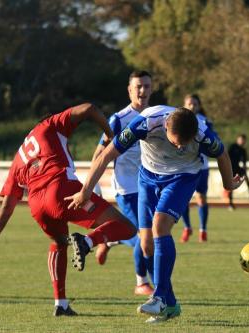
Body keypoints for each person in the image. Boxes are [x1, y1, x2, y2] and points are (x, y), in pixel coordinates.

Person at [65, 106, 243, 323]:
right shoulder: (146, 122)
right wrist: (85, 192)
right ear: (166, 125)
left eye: (184, 144)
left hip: (182, 177)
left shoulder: (201, 132)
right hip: (148, 178)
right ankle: (170, 305)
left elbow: (222, 154)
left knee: (160, 226)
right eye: (175, 141)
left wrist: (228, 184)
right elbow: (106, 155)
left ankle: (158, 297)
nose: (179, 146)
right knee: (146, 245)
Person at [0, 103, 136, 316]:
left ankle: (61, 304)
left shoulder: (19, 158)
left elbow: (7, 207)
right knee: (127, 227)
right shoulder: (50, 125)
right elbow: (90, 108)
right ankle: (87, 241)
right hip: (61, 190)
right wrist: (110, 135)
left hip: (37, 206)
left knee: (58, 243)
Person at [91, 70, 154, 296]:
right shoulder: (118, 120)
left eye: (146, 86)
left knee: (152, 234)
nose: (142, 91)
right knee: (145, 237)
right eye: (138, 86)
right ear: (129, 90)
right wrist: (90, 188)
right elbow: (99, 154)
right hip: (127, 188)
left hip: (152, 187)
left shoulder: (158, 117)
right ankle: (143, 283)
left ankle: (109, 240)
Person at [180, 94, 212, 243]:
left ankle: (203, 230)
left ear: (199, 106)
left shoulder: (205, 121)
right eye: (189, 104)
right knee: (183, 199)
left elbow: (212, 143)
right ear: (185, 105)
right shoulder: (178, 119)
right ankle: (187, 228)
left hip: (201, 167)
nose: (192, 106)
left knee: (201, 198)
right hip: (183, 167)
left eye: (194, 104)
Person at [226, 134, 249, 210]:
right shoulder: (232, 147)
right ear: (237, 139)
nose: (241, 141)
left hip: (238, 168)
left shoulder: (243, 150)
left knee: (246, 179)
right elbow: (226, 157)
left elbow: (244, 162)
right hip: (231, 168)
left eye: (243, 140)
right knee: (231, 185)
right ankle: (230, 203)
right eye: (240, 139)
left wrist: (245, 171)